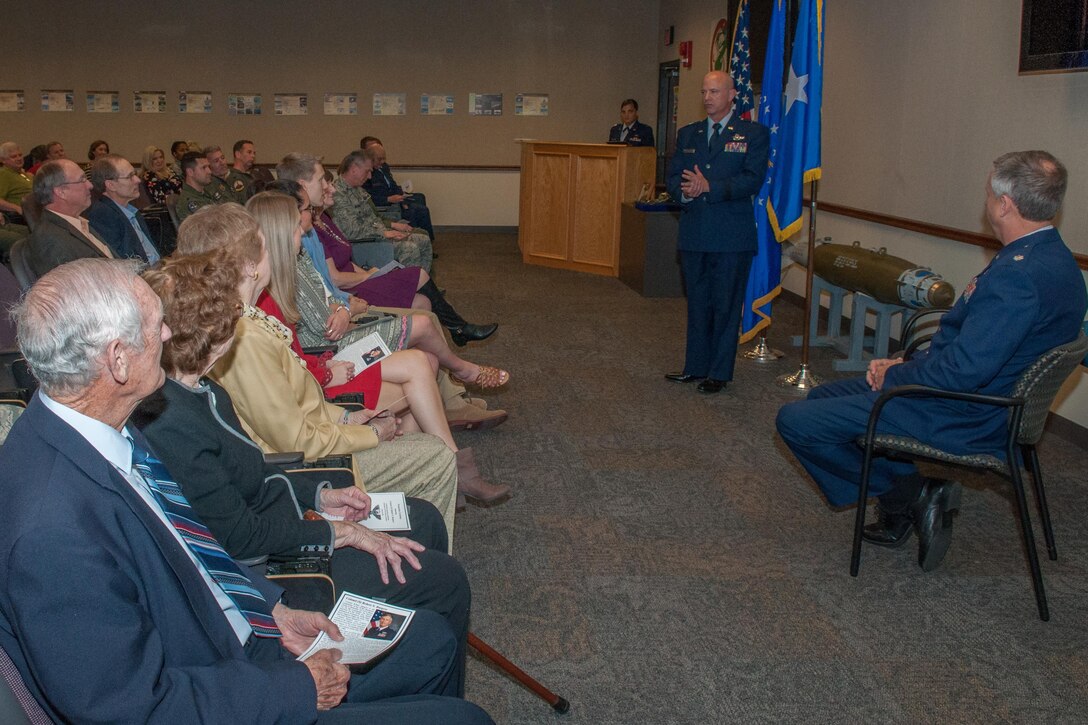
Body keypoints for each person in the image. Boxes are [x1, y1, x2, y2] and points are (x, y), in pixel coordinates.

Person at [0, 257, 493, 724]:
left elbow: (193, 546)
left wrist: (271, 610)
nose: (169, 334)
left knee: (430, 640)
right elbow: (131, 708)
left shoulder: (97, 429)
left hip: (237, 641)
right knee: (466, 718)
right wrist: (294, 687)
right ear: (118, 361)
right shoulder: (53, 532)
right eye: (155, 328)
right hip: (220, 685)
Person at [134, 250, 474, 695]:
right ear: (206, 333)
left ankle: (411, 681)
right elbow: (239, 538)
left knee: (424, 518)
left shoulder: (201, 388)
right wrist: (338, 533)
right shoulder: (171, 420)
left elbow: (258, 472)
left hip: (284, 527)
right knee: (445, 582)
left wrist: (321, 496)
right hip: (277, 572)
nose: (238, 321)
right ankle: (418, 687)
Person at [776, 150, 1088, 572]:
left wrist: (897, 371)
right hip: (973, 393)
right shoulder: (1054, 260)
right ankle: (906, 495)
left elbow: (963, 371)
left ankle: (911, 494)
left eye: (988, 195)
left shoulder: (1019, 275)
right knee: (821, 402)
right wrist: (910, 357)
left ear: (1004, 204)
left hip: (964, 411)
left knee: (796, 421)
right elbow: (973, 344)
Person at [171, 204, 463, 538]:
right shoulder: (243, 335)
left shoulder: (243, 319)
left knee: (414, 427)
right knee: (436, 456)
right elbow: (296, 440)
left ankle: (401, 536)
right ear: (251, 267)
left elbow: (300, 403)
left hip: (313, 438)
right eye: (265, 247)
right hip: (305, 469)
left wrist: (346, 419)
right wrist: (373, 434)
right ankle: (416, 565)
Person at [243, 192, 512, 509]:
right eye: (296, 226)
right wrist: (328, 368)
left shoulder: (288, 270)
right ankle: (446, 470)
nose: (303, 230)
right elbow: (297, 358)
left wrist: (342, 317)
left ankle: (429, 477)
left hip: (322, 363)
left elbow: (297, 349)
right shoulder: (264, 298)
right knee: (418, 363)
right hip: (324, 371)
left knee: (422, 358)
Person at [264, 177, 510, 432]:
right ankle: (461, 376)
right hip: (331, 344)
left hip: (342, 311)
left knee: (423, 306)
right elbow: (322, 316)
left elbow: (325, 291)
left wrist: (343, 305)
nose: (329, 187)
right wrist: (350, 303)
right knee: (424, 323)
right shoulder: (292, 255)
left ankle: (449, 404)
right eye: (305, 208)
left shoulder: (310, 238)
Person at [664, 71, 769, 394]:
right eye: (704, 92)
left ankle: (719, 372)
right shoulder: (689, 134)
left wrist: (710, 187)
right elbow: (672, 176)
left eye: (715, 91)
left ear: (732, 94)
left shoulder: (752, 134)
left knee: (725, 305)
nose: (708, 97)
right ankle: (694, 366)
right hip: (695, 234)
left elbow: (752, 179)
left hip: (730, 237)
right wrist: (686, 192)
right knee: (697, 303)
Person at [330, 150, 433, 272]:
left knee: (424, 240)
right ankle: (410, 288)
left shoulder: (358, 190)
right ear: (354, 169)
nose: (369, 176)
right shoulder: (337, 194)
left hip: (377, 236)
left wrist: (389, 229)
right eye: (367, 171)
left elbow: (374, 218)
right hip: (363, 244)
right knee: (409, 248)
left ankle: (423, 285)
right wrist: (383, 233)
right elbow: (351, 231)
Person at [25, 159, 115, 277]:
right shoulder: (50, 240)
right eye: (82, 180)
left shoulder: (78, 223)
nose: (90, 185)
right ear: (61, 192)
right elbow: (74, 290)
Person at [85, 154, 161, 262]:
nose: (137, 180)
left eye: (135, 174)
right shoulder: (103, 215)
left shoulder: (131, 211)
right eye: (130, 177)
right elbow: (121, 263)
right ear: (111, 185)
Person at [361, 139, 435, 240]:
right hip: (385, 205)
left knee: (420, 198)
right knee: (417, 210)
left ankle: (427, 242)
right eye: (379, 159)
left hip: (395, 200)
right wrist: (388, 199)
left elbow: (392, 184)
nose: (382, 162)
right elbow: (368, 198)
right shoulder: (366, 174)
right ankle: (416, 239)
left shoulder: (383, 167)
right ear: (371, 159)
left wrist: (402, 197)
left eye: (383, 159)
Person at [176, 150, 224, 222]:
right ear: (190, 172)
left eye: (208, 167)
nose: (209, 171)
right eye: (204, 167)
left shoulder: (205, 193)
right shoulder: (188, 202)